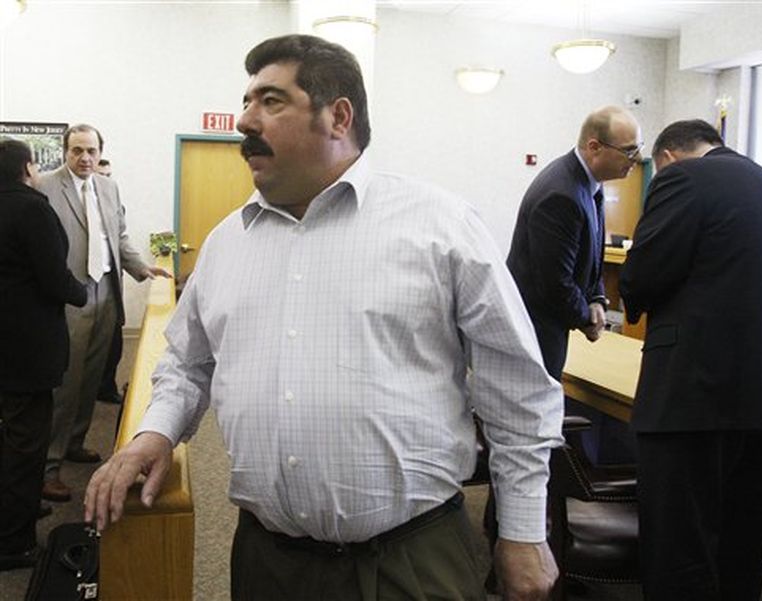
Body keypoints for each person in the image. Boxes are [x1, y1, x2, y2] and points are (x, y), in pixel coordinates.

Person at [84, 34, 564, 600]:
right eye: (246, 102)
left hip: (410, 560)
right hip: (268, 560)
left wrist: (524, 530)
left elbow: (518, 390)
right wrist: (155, 433)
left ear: (338, 117)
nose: (244, 120)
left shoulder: (439, 226)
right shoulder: (226, 243)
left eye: (270, 101)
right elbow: (187, 364)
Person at [619, 119, 762, 601]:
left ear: (666, 158)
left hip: (694, 394)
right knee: (742, 544)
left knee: (679, 548)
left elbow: (642, 276)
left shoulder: (683, 179)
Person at [38, 124, 170, 503]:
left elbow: (119, 236)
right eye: (77, 150)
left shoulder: (109, 187)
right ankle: (49, 465)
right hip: (68, 294)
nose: (85, 158)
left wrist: (142, 268)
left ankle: (76, 441)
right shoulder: (46, 187)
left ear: (100, 153)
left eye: (91, 151)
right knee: (65, 382)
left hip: (106, 292)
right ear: (65, 152)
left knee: (92, 377)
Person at [506, 106, 642, 469]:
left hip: (550, 324)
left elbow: (592, 257)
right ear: (595, 147)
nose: (636, 159)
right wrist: (588, 318)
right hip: (537, 329)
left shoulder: (587, 184)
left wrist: (597, 298)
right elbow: (554, 283)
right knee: (533, 433)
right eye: (629, 150)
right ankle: (524, 519)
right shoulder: (562, 193)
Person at [0, 139, 87, 570]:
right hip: (26, 351)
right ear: (28, 168)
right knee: (26, 443)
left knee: (8, 434)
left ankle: (15, 513)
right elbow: (55, 278)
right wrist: (81, 292)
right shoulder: (32, 207)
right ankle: (14, 543)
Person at [93, 157, 125, 405]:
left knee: (113, 346)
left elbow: (120, 239)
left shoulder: (114, 199)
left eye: (109, 175)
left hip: (110, 284)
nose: (105, 180)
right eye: (101, 175)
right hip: (83, 286)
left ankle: (106, 388)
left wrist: (142, 268)